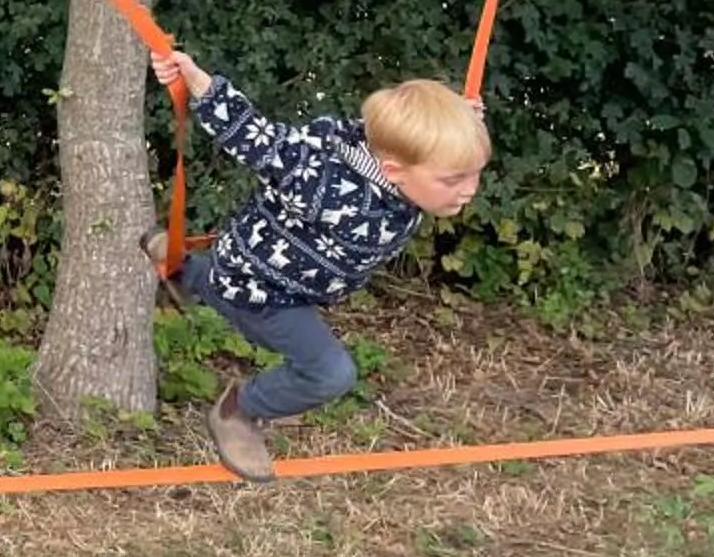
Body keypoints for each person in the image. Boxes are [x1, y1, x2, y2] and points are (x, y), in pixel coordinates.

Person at [147, 46, 488, 482]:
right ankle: (237, 412)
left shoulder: (411, 157)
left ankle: (176, 264)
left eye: (475, 173)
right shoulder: (320, 172)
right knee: (329, 374)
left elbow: (447, 142)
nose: (469, 190)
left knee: (217, 280)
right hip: (264, 289)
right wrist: (195, 80)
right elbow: (254, 135)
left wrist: (461, 121)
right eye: (453, 180)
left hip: (287, 279)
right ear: (394, 169)